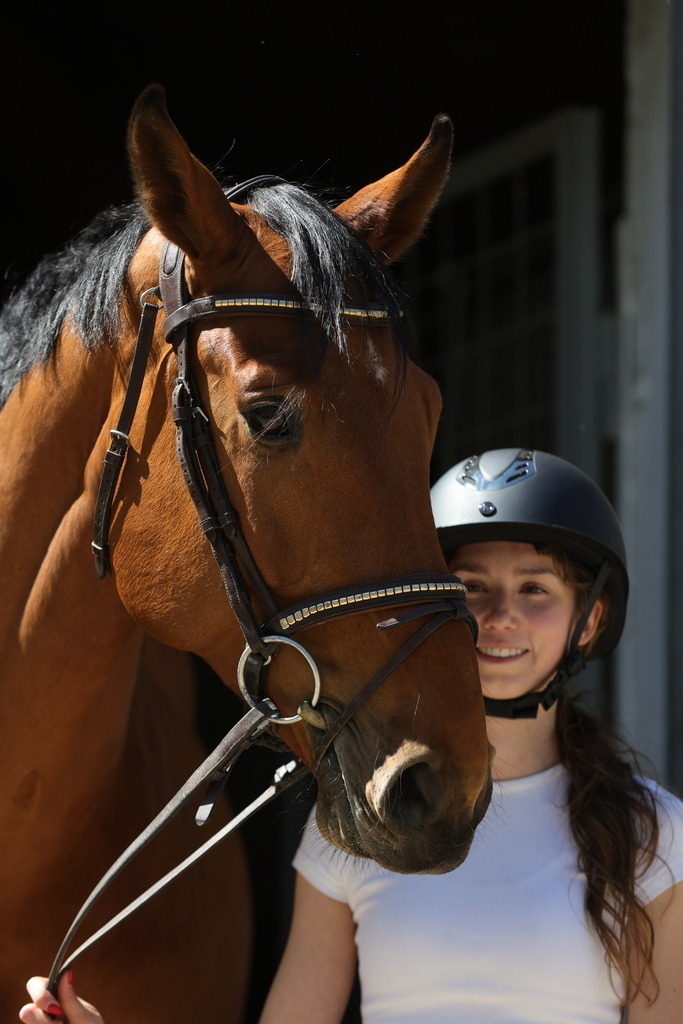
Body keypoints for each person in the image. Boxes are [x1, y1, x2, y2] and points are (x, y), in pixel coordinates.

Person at [19, 448, 683, 1023]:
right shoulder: (358, 821)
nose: (499, 616)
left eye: (534, 589)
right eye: (469, 587)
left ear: (588, 621)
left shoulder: (654, 831)